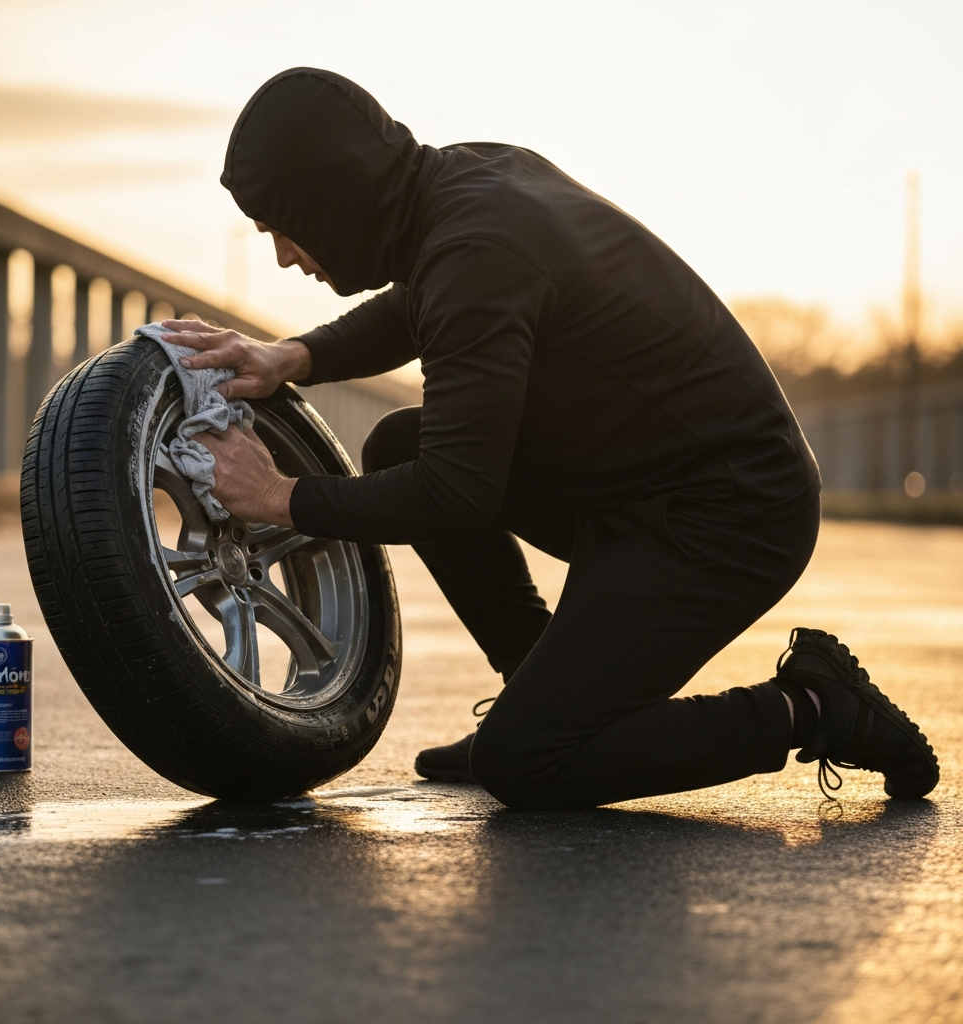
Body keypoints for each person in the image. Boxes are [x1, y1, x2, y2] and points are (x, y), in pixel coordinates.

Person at [162, 67, 938, 809]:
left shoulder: (477, 251)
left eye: (287, 230)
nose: (284, 256)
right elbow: (422, 307)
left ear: (335, 199)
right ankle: (538, 689)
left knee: (527, 764)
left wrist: (280, 497)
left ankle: (812, 703)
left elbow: (455, 496)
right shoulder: (463, 183)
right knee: (401, 443)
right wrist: (293, 355)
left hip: (729, 517)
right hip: (638, 486)